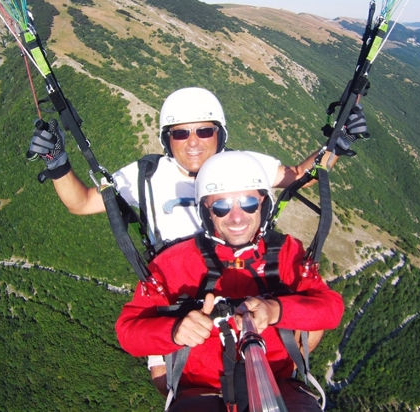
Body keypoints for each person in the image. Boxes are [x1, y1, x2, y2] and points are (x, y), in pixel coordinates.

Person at [28, 87, 364, 391]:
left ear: (219, 134)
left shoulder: (241, 168)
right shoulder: (147, 175)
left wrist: (337, 143)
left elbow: (297, 177)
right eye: (181, 132)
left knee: (297, 335)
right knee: (168, 382)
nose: (193, 141)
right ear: (167, 138)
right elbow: (83, 202)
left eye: (205, 130)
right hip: (177, 288)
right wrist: (56, 163)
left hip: (245, 274)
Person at [115, 151, 344, 411]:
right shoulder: (172, 264)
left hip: (276, 381)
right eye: (222, 207)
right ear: (207, 212)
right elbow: (128, 332)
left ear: (263, 204)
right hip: (203, 390)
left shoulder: (287, 253)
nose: (237, 217)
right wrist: (175, 330)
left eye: (248, 203)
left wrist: (277, 311)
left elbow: (331, 309)